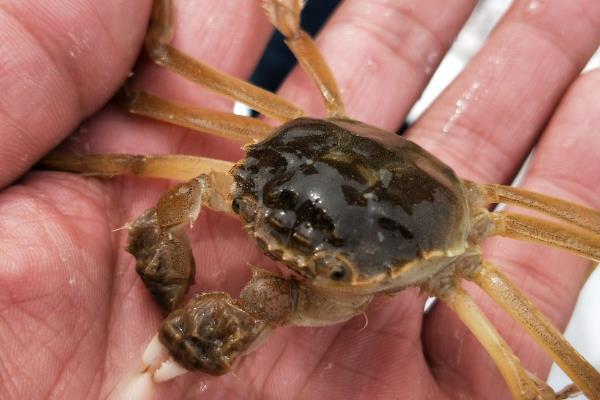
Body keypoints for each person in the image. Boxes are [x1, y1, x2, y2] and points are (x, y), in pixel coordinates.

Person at [1, 0, 599, 398]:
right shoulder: (254, 160)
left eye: (327, 266)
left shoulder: (462, 251)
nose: (282, 264)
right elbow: (158, 72)